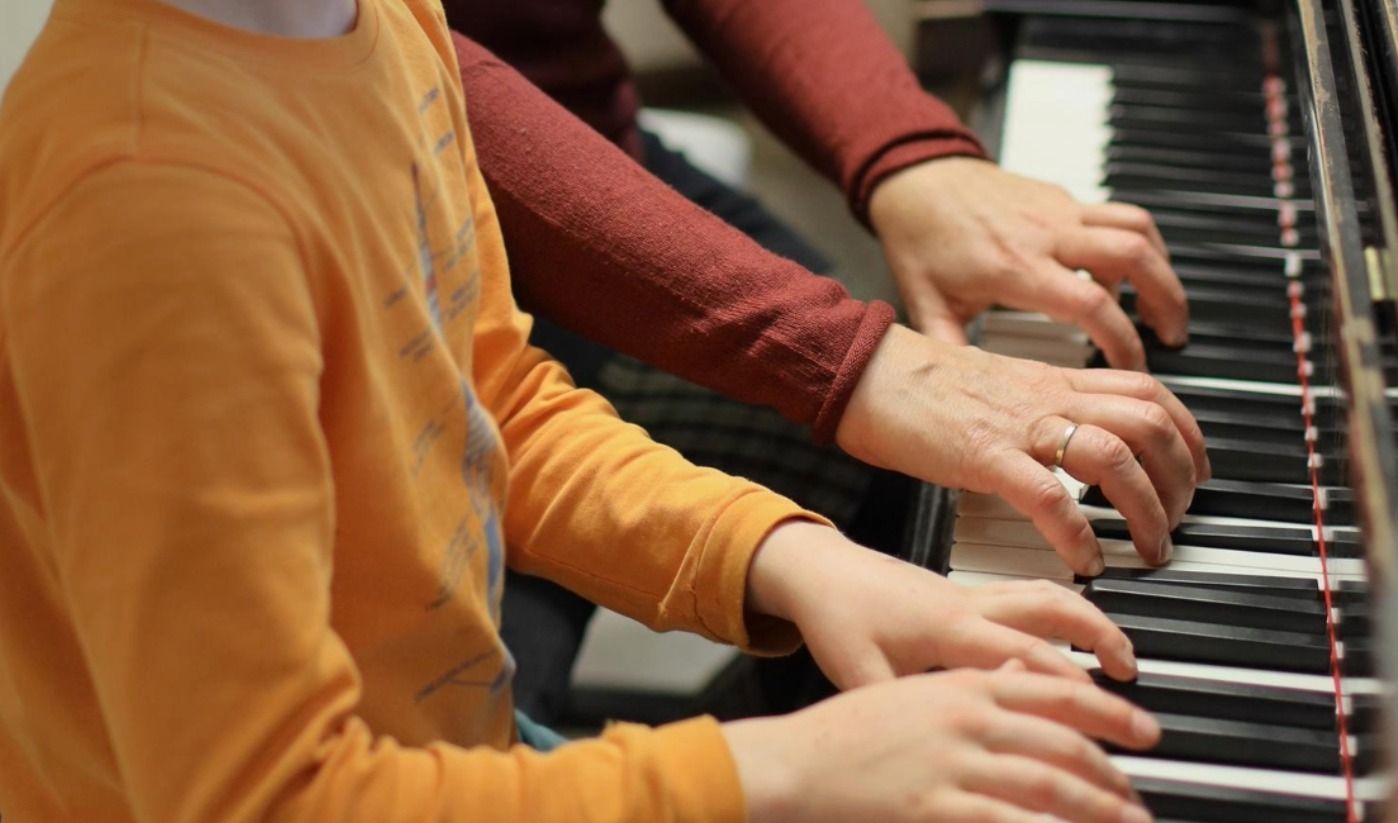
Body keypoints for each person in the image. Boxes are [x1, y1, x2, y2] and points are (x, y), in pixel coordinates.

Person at [0, 2, 1167, 823]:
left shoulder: (371, 19)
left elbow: (493, 403)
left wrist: (790, 558)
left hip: (454, 764)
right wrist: (782, 776)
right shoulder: (156, 200)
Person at [440, 5, 1207, 721]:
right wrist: (852, 365)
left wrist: (909, 158)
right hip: (436, 267)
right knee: (484, 719)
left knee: (916, 498)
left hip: (583, 146)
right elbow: (418, 80)